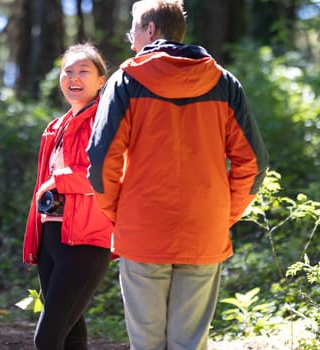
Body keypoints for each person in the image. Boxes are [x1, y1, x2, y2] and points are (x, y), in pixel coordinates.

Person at [86, 1, 269, 349]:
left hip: (142, 229)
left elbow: (100, 160)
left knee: (147, 342)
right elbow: (255, 164)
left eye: (134, 30)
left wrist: (118, 212)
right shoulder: (225, 83)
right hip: (204, 229)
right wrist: (224, 214)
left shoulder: (125, 81)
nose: (130, 40)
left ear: (150, 30)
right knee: (190, 342)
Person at [23, 43, 114, 350]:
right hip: (51, 235)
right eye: (68, 71)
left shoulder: (107, 119)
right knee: (71, 334)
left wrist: (57, 181)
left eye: (83, 71)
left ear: (101, 80)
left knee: (47, 338)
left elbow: (107, 173)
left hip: (87, 238)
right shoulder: (55, 126)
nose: (74, 77)